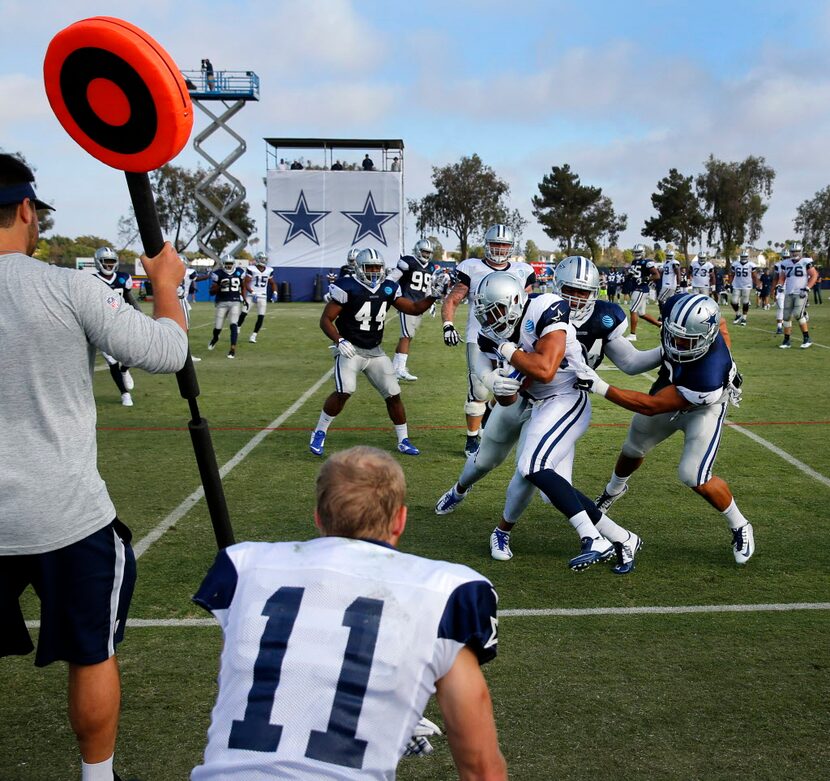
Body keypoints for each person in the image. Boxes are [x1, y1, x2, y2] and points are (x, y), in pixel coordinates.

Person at [0, 152, 188, 781]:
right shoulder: (67, 287)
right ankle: (97, 776)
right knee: (91, 651)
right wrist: (166, 285)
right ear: (26, 209)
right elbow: (166, 351)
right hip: (65, 513)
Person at [191, 446, 506, 780]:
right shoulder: (447, 591)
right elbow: (480, 766)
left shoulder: (245, 567)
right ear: (400, 519)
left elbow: (273, 670)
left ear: (318, 515)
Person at [436, 258, 658, 570]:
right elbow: (504, 386)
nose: (490, 318)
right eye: (486, 311)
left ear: (515, 302)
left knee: (532, 468)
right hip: (526, 400)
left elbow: (545, 369)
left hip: (562, 397)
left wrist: (507, 351)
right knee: (507, 467)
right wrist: (495, 383)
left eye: (497, 310)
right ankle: (623, 538)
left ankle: (555, 535)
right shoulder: (490, 329)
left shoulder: (547, 308)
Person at [580, 292, 754, 565]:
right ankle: (613, 491)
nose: (677, 342)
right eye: (674, 333)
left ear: (704, 338)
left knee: (693, 474)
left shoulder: (708, 373)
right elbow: (718, 322)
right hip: (671, 389)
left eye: (687, 339)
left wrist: (598, 385)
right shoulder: (677, 311)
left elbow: (651, 406)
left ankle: (740, 524)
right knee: (632, 447)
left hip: (702, 408)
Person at [309, 248, 445, 457]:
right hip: (351, 350)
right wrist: (339, 340)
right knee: (345, 390)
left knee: (393, 394)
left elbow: (414, 308)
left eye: (377, 267)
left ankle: (403, 440)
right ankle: (319, 432)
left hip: (375, 351)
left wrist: (433, 296)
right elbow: (325, 320)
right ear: (359, 268)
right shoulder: (347, 286)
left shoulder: (388, 288)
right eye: (369, 267)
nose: (374, 271)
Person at [441, 224, 536, 456]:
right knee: (480, 390)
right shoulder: (471, 268)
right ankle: (472, 439)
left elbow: (531, 304)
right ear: (487, 245)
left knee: (509, 386)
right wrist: (448, 325)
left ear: (511, 247)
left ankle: (486, 420)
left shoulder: (523, 270)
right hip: (480, 335)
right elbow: (453, 299)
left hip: (513, 337)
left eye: (504, 245)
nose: (500, 249)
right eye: (496, 244)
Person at [91, 246, 141, 407]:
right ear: (99, 262)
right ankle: (125, 394)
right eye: (106, 262)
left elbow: (129, 298)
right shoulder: (91, 280)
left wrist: (139, 313)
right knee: (112, 360)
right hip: (101, 325)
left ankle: (125, 369)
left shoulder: (123, 277)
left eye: (112, 261)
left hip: (121, 321)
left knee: (133, 352)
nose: (109, 265)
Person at [388, 238, 438, 381]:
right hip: (407, 304)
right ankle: (401, 369)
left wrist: (431, 302)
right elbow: (391, 279)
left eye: (428, 253)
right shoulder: (408, 261)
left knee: (408, 336)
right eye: (424, 252)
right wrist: (395, 296)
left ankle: (395, 369)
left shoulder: (431, 267)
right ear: (417, 250)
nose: (426, 255)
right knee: (406, 336)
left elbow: (428, 287)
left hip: (420, 305)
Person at [777, 241, 819, 349]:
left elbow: (814, 275)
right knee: (785, 316)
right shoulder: (785, 263)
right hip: (789, 292)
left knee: (797, 314)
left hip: (800, 292)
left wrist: (808, 287)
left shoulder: (806, 262)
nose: (794, 253)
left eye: (796, 251)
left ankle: (807, 338)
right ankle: (786, 340)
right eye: (792, 251)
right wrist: (780, 285)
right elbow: (782, 277)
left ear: (800, 251)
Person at [208, 254, 250, 358]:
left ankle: (232, 349)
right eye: (227, 264)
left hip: (235, 302)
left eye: (230, 264)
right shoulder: (218, 274)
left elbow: (243, 286)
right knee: (218, 327)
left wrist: (244, 298)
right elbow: (211, 292)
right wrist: (219, 287)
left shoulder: (239, 272)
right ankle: (215, 338)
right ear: (223, 264)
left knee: (233, 324)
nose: (228, 266)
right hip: (221, 303)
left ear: (234, 264)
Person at [238, 252, 277, 343]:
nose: (263, 260)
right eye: (262, 258)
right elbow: (246, 284)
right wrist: (252, 292)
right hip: (252, 296)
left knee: (261, 317)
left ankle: (253, 336)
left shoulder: (269, 270)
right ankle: (238, 327)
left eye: (265, 259)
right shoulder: (251, 269)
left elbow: (272, 283)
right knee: (244, 313)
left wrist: (275, 292)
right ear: (257, 259)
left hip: (262, 296)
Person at [625, 243, 661, 342]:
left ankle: (633, 335)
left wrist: (646, 278)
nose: (636, 254)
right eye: (635, 252)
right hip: (636, 288)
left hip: (641, 289)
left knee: (633, 310)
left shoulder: (647, 262)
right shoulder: (634, 262)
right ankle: (660, 325)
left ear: (643, 252)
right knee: (641, 313)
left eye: (638, 252)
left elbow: (657, 275)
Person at [727, 248, 759, 326]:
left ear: (747, 257)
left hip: (747, 286)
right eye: (742, 257)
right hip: (736, 285)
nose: (743, 258)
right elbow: (732, 275)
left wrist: (757, 284)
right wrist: (729, 284)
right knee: (733, 302)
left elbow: (754, 276)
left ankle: (744, 318)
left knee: (745, 302)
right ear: (740, 257)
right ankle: (738, 314)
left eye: (745, 257)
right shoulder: (735, 264)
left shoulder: (751, 265)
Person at [773, 247, 788, 334]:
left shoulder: (795, 264)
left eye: (787, 257)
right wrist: (773, 290)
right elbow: (775, 278)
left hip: (791, 289)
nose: (786, 259)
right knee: (780, 308)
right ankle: (779, 327)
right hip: (781, 288)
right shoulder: (778, 265)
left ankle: (803, 313)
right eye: (784, 257)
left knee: (791, 308)